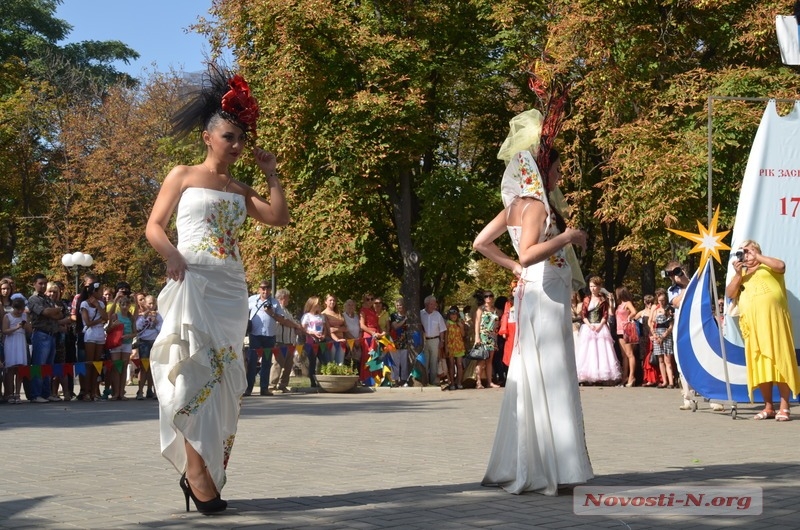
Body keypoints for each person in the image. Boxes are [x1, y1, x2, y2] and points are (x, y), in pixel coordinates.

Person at [145, 65, 289, 514]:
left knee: (226, 383)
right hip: (193, 280)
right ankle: (195, 473)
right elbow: (153, 226)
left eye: (242, 138)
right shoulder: (182, 174)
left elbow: (279, 217)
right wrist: (171, 255)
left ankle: (208, 466)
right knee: (191, 375)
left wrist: (271, 175)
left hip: (230, 286)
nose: (238, 145)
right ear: (208, 137)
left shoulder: (240, 187)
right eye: (229, 136)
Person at [473, 107, 593, 495]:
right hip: (543, 293)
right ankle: (554, 469)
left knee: (533, 373)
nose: (559, 177)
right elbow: (527, 253)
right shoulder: (537, 207)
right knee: (552, 374)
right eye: (556, 171)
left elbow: (481, 243)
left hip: (538, 292)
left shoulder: (513, 207)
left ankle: (536, 463)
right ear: (540, 171)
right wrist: (567, 236)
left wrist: (510, 266)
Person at [725, 240, 800, 421]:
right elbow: (730, 294)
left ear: (756, 251)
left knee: (780, 361)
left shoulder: (769, 267)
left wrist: (757, 256)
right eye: (743, 252)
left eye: (749, 251)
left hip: (775, 323)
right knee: (760, 365)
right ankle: (768, 407)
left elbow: (781, 266)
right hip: (753, 326)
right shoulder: (741, 275)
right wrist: (737, 274)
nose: (746, 255)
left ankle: (784, 406)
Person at [575, 277, 620, 385]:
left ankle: (601, 375)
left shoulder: (603, 300)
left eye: (594, 286)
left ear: (599, 287)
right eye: (590, 286)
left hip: (600, 326)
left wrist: (600, 325)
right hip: (588, 326)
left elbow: (605, 314)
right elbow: (583, 314)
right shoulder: (586, 299)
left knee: (601, 350)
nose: (592, 288)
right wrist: (589, 325)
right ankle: (587, 376)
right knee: (588, 351)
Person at [246, 282, 280, 396]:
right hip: (255, 334)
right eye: (263, 289)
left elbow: (280, 318)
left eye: (267, 289)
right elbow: (242, 311)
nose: (265, 292)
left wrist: (271, 313)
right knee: (252, 362)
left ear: (270, 290)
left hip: (269, 336)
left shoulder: (275, 302)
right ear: (259, 289)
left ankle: (264, 388)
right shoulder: (251, 300)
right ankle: (248, 388)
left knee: (266, 363)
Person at [107, 296, 137, 400]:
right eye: (122, 304)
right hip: (116, 343)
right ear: (119, 305)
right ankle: (115, 393)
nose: (125, 307)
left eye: (127, 304)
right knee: (116, 367)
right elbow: (108, 330)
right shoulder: (115, 316)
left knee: (124, 367)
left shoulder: (131, 317)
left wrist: (129, 336)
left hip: (127, 343)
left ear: (129, 306)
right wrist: (113, 325)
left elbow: (135, 332)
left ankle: (121, 393)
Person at [2, 296, 28, 404]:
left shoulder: (24, 316)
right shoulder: (7, 316)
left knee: (20, 368)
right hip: (11, 341)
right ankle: (10, 393)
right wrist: (16, 327)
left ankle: (17, 393)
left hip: (21, 340)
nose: (20, 311)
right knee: (10, 368)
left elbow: (30, 330)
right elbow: (4, 331)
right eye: (18, 309)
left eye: (21, 309)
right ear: (14, 307)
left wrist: (25, 325)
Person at [135, 295, 161, 400]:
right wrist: (144, 317)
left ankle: (153, 391)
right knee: (143, 367)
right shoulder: (142, 316)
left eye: (153, 303)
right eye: (149, 303)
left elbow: (161, 329)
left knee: (153, 367)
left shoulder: (158, 316)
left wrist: (156, 323)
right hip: (144, 342)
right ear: (145, 304)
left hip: (154, 342)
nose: (151, 306)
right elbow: (137, 327)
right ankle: (140, 391)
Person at [474, 291, 500, 389]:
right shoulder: (481, 309)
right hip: (483, 336)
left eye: (490, 296)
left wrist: (495, 330)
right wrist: (477, 336)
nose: (488, 298)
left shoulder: (495, 310)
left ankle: (489, 382)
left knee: (489, 360)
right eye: (486, 296)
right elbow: (477, 323)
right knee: (481, 359)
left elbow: (497, 322)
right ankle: (478, 382)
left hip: (492, 336)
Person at [650, 289, 676, 389]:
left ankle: (671, 381)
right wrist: (655, 335)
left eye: (663, 300)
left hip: (666, 334)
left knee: (667, 360)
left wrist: (663, 336)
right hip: (657, 334)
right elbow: (651, 323)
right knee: (660, 360)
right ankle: (664, 381)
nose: (662, 302)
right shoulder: (655, 309)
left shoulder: (669, 309)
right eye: (660, 300)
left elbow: (671, 325)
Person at [301, 296, 328, 385]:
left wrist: (323, 334)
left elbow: (325, 328)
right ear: (312, 305)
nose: (319, 306)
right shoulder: (307, 316)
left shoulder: (321, 316)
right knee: (312, 361)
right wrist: (313, 333)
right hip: (311, 341)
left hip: (321, 341)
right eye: (317, 304)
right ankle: (313, 382)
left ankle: (324, 380)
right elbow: (303, 329)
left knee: (324, 360)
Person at [419, 295, 446, 385]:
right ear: (426, 304)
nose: (433, 306)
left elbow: (442, 329)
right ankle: (425, 381)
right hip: (424, 340)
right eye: (431, 304)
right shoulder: (421, 313)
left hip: (435, 340)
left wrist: (442, 341)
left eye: (434, 304)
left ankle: (434, 381)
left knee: (434, 361)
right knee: (425, 361)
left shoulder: (437, 315)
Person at [614, 286, 638, 387]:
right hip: (619, 331)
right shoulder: (619, 305)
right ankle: (625, 376)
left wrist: (628, 317)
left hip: (626, 330)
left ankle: (632, 376)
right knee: (624, 355)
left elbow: (634, 312)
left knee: (629, 354)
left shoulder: (627, 303)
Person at [389, 298, 411, 387]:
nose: (399, 307)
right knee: (395, 361)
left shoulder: (408, 315)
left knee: (404, 361)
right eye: (397, 305)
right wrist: (405, 320)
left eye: (400, 305)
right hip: (395, 341)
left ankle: (404, 380)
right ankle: (395, 380)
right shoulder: (393, 315)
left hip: (405, 341)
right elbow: (395, 326)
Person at [444, 306, 466, 390]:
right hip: (450, 346)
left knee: (459, 365)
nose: (453, 316)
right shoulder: (447, 323)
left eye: (455, 315)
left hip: (459, 345)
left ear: (457, 315)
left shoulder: (460, 322)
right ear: (449, 315)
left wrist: (461, 327)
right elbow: (446, 335)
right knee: (451, 365)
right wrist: (446, 346)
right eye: (451, 315)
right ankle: (452, 383)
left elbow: (463, 335)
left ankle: (459, 382)